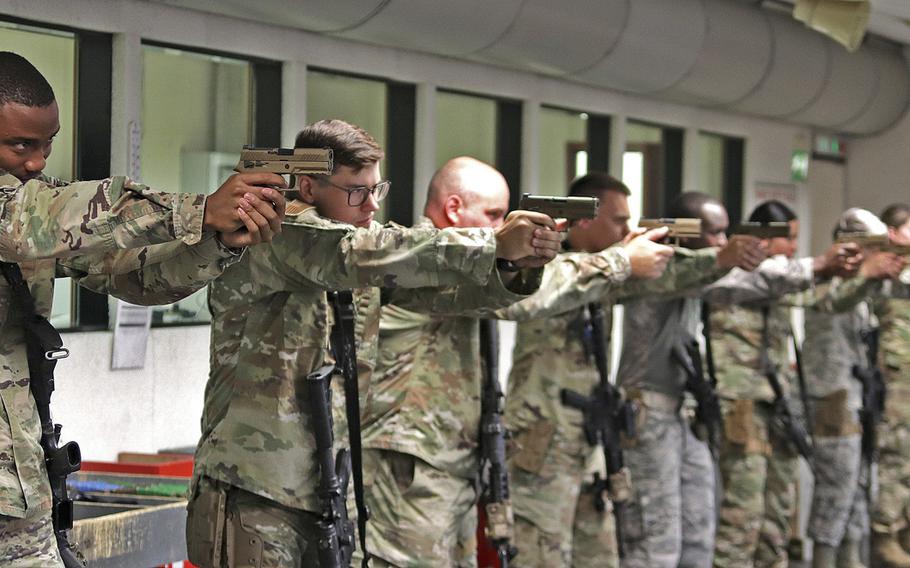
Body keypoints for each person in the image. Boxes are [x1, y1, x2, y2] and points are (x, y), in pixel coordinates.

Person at [186, 120, 565, 568]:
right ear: (307, 187)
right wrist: (490, 242)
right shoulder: (276, 234)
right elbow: (347, 252)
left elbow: (454, 294)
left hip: (330, 486)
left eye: (376, 189)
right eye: (355, 192)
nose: (370, 205)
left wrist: (513, 263)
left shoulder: (356, 256)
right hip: (256, 487)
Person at [0, 51, 287, 566]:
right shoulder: (25, 216)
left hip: (20, 497)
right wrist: (196, 209)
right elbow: (33, 221)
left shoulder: (34, 212)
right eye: (21, 144)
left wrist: (217, 238)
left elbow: (136, 273)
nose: (38, 162)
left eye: (48, 143)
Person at [360, 158, 677, 567]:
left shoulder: (471, 265)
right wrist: (619, 261)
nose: (501, 229)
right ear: (454, 209)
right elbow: (528, 296)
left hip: (448, 463)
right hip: (409, 466)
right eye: (494, 216)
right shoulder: (424, 261)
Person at [499, 174, 763, 567]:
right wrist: (621, 259)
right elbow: (541, 294)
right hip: (543, 440)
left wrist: (721, 259)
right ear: (585, 219)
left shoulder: (607, 274)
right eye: (619, 220)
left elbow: (667, 276)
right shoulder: (547, 268)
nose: (628, 229)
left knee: (601, 555)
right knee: (542, 555)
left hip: (589, 442)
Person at [707, 200, 861, 568]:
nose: (794, 247)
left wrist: (864, 274)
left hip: (777, 403)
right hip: (742, 406)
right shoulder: (734, 274)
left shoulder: (783, 279)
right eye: (788, 238)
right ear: (763, 238)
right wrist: (822, 264)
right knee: (742, 516)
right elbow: (773, 276)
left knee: (777, 512)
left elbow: (825, 296)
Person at [615, 192, 764, 568]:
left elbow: (754, 283)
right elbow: (689, 271)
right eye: (713, 233)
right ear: (683, 234)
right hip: (648, 413)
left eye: (724, 233)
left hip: (684, 414)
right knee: (655, 541)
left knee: (698, 531)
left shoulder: (703, 274)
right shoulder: (659, 268)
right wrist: (721, 258)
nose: (721, 242)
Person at [802, 208, 906, 568]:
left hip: (858, 395)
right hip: (832, 396)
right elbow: (833, 301)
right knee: (836, 487)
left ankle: (852, 557)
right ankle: (825, 559)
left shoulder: (864, 282)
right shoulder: (825, 276)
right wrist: (867, 273)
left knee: (862, 485)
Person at [869, 203, 910, 567]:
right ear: (894, 233)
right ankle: (885, 532)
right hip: (894, 379)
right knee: (895, 455)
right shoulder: (883, 267)